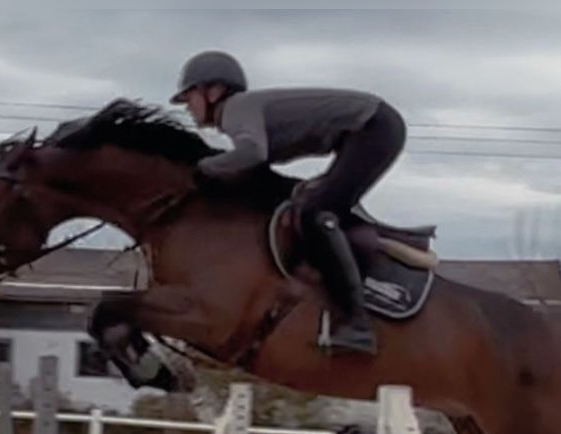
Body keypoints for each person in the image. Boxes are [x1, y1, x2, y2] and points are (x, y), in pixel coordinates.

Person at [170, 50, 408, 356]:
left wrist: (203, 169)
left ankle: (357, 326)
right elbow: (256, 171)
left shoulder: (236, 109)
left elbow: (252, 154)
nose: (187, 108)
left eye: (189, 97)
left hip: (376, 128)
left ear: (214, 91)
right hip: (363, 132)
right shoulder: (243, 113)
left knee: (316, 214)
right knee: (305, 205)